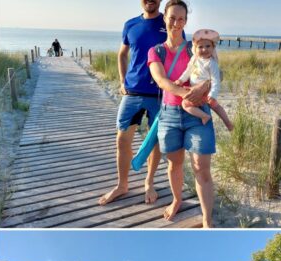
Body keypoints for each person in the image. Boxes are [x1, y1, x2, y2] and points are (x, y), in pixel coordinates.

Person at [99, 0, 205, 207]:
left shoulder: (169, 22)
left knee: (155, 141)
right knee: (122, 139)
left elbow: (182, 55)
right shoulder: (131, 24)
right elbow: (122, 54)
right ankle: (122, 184)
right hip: (132, 92)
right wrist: (122, 81)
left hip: (160, 94)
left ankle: (149, 183)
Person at [148, 0, 217, 227]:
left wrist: (204, 87)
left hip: (198, 113)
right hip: (169, 115)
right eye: (172, 18)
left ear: (186, 21)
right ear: (164, 19)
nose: (176, 23)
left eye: (181, 19)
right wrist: (188, 92)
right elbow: (161, 80)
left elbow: (213, 73)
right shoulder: (156, 51)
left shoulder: (195, 47)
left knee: (201, 167)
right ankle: (177, 199)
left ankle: (207, 221)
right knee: (174, 163)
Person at [174, 29, 234, 130]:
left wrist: (212, 95)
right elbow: (188, 71)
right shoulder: (194, 59)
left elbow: (216, 80)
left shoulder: (211, 63)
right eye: (200, 47)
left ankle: (223, 121)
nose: (204, 49)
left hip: (206, 92)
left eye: (208, 46)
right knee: (214, 106)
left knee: (188, 104)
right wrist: (180, 80)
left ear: (213, 47)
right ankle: (209, 117)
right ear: (195, 48)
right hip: (195, 90)